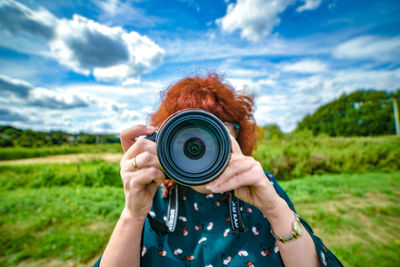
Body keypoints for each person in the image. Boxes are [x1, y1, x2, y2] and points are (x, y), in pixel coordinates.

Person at [95, 73, 343, 267]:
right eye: (187, 132)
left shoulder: (260, 186)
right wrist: (133, 214)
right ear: (163, 141)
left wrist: (276, 209)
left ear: (238, 136)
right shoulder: (155, 196)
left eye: (214, 130)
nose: (200, 146)